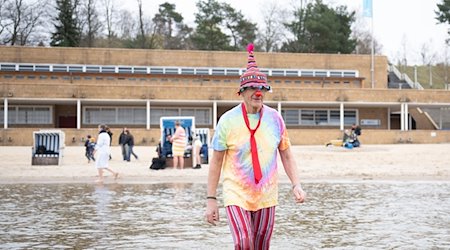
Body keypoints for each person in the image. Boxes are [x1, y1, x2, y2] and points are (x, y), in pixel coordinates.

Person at [205, 43, 306, 249]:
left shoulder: (275, 119)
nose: (257, 92)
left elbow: (286, 155)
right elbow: (216, 162)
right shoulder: (227, 121)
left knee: (261, 246)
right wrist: (211, 199)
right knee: (244, 242)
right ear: (241, 92)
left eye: (261, 88)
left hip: (267, 195)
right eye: (252, 88)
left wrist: (296, 184)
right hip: (236, 193)